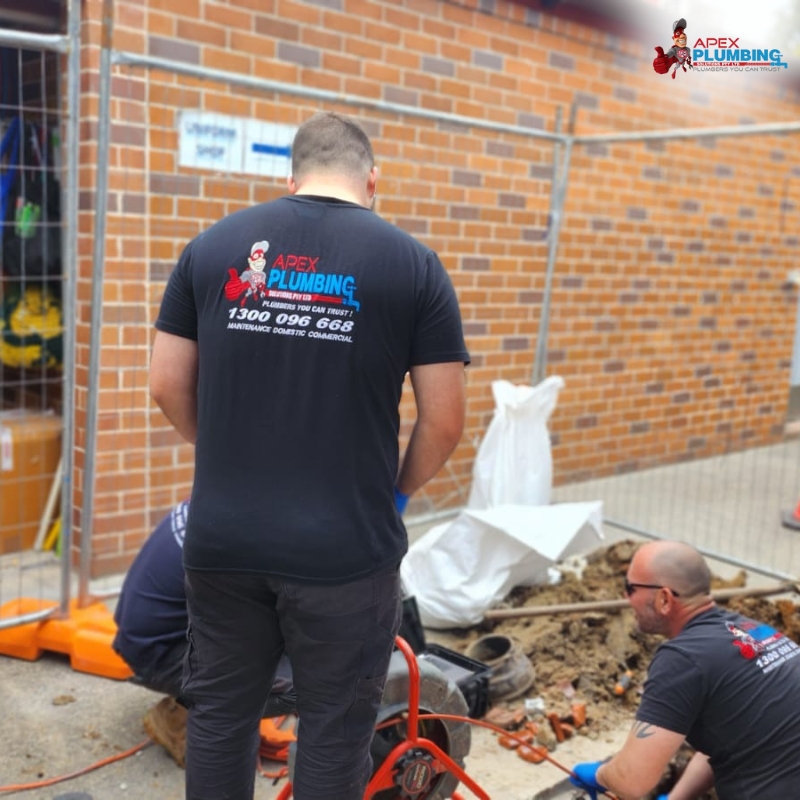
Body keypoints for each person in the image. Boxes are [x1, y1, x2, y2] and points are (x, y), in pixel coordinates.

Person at [149, 111, 469, 800]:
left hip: (224, 539)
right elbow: (444, 422)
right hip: (345, 551)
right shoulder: (413, 265)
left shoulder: (210, 248)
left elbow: (164, 383)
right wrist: (396, 495)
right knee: (334, 726)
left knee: (222, 715)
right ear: (372, 180)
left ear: (289, 177)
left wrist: (226, 453)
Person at [570, 540, 800, 800]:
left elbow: (631, 781)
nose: (626, 597)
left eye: (631, 588)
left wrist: (600, 774)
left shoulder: (682, 659)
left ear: (664, 599)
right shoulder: (752, 630)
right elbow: (723, 742)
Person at [112, 501, 295, 768]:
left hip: (149, 637)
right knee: (308, 684)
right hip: (160, 654)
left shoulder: (220, 499)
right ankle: (183, 723)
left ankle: (196, 708)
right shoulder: (244, 538)